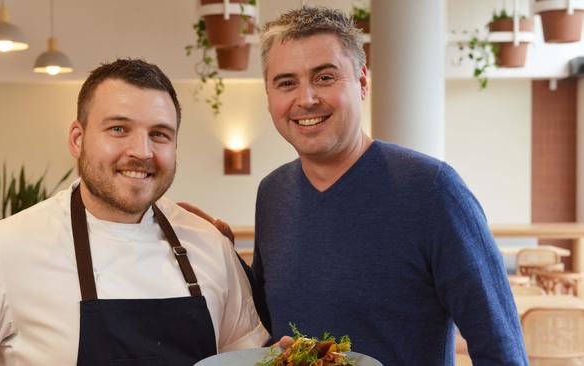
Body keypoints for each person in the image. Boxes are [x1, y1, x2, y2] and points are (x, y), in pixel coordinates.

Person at [187, 6, 529, 365]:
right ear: (270, 98)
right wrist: (220, 254)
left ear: (362, 82)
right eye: (287, 83)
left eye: (325, 77)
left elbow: (500, 347)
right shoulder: (272, 193)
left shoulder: (433, 190)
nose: (306, 99)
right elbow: (269, 324)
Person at [0, 59, 269, 366]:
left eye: (159, 134)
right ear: (77, 139)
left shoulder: (210, 244)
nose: (142, 151)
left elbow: (246, 358)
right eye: (119, 129)